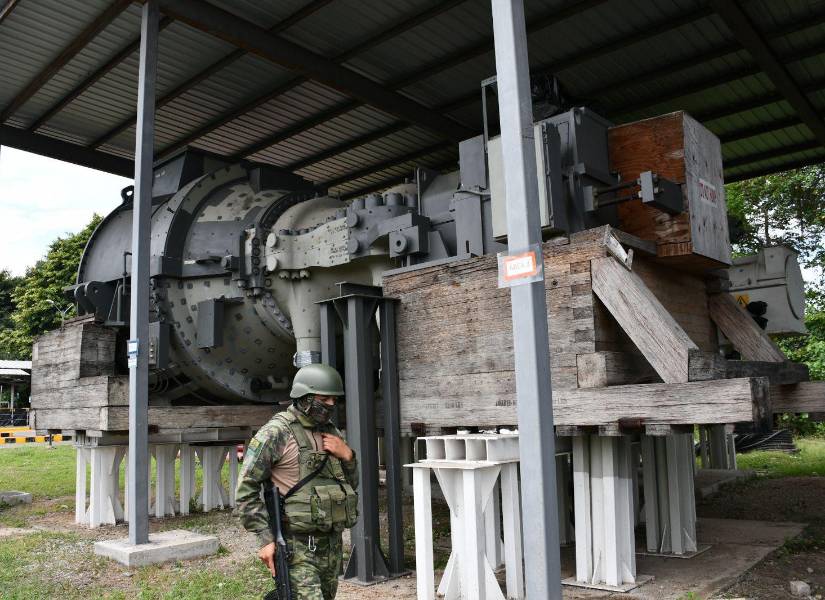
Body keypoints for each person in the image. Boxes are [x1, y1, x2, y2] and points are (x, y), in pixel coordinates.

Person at [236, 363, 358, 600]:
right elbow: (246, 488)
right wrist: (264, 539)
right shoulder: (276, 432)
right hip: (296, 546)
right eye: (325, 398)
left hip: (331, 545)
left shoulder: (332, 432)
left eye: (334, 399)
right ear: (305, 397)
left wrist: (348, 456)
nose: (331, 405)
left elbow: (351, 485)